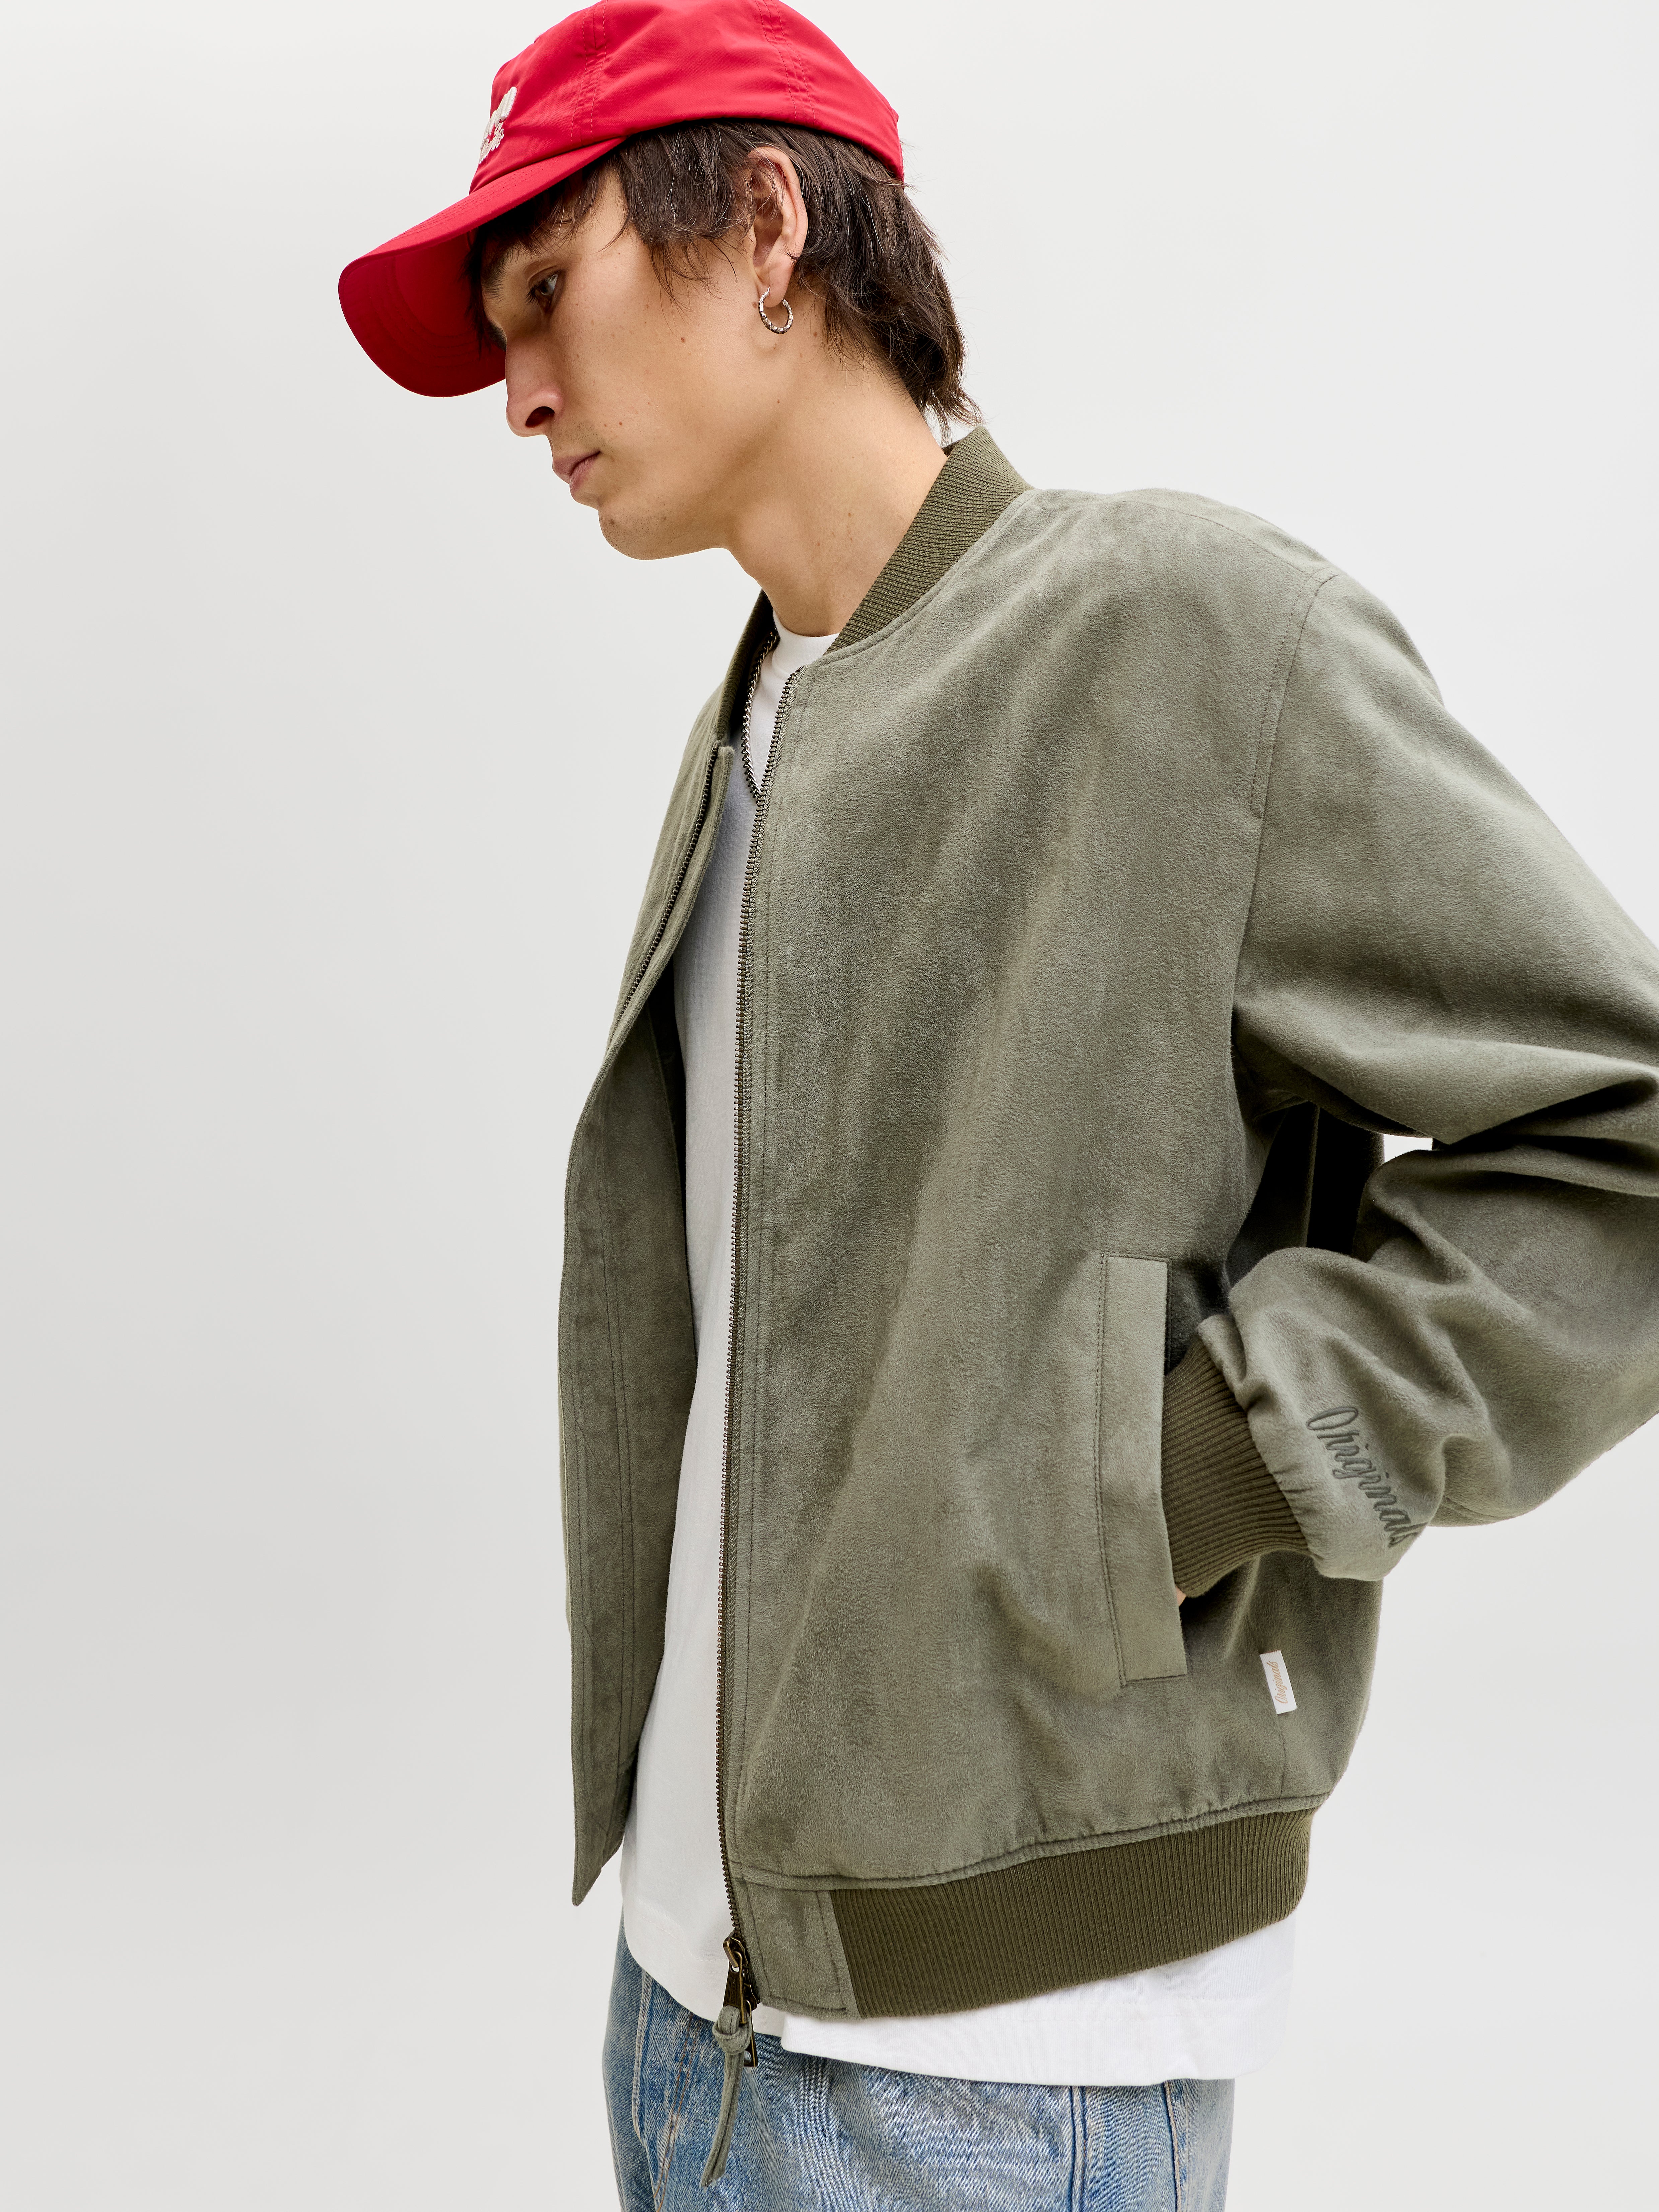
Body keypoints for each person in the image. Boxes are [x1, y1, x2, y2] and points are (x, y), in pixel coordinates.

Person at [338, 4, 1659, 2204]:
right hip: (693, 2008)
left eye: (548, 289)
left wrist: (1202, 1470)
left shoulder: (1187, 639)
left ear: (768, 227)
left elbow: (1627, 1135)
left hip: (991, 2069)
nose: (521, 393)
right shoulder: (767, 720)